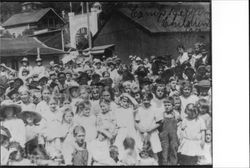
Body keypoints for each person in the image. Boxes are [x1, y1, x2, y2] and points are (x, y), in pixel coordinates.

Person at [135, 92, 162, 162]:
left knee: (154, 150)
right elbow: (136, 122)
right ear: (141, 100)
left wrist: (151, 129)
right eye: (144, 100)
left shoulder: (154, 108)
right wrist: (140, 129)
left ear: (150, 100)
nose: (146, 101)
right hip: (141, 133)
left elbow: (159, 122)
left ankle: (155, 163)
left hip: (152, 133)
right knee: (140, 149)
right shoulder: (139, 109)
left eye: (148, 99)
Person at [159, 97, 179, 165]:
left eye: (169, 105)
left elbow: (180, 122)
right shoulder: (162, 114)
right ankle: (164, 163)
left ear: (173, 106)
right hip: (164, 134)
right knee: (165, 149)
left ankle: (173, 163)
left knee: (173, 148)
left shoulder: (176, 114)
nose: (167, 107)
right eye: (165, 105)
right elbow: (159, 125)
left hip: (173, 135)